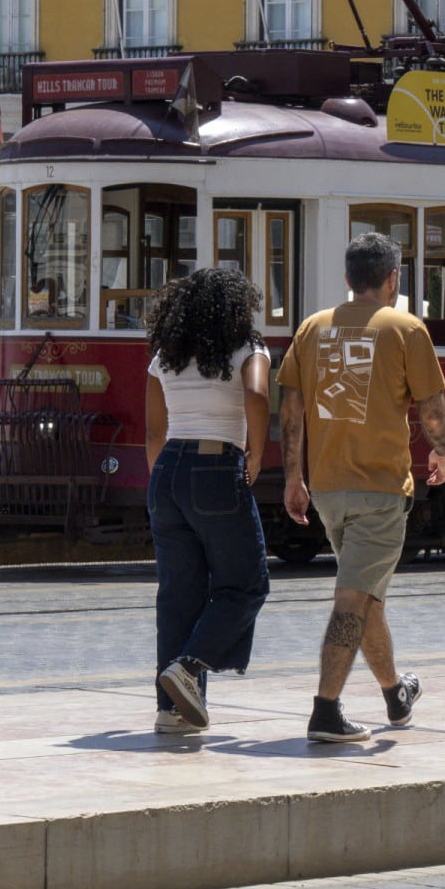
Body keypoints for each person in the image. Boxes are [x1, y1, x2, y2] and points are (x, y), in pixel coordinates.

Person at [278, 232, 445, 743]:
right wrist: (440, 451)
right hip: (378, 489)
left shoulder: (313, 327)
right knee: (353, 601)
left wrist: (293, 476)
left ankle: (396, 693)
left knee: (368, 595)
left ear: (349, 279)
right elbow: (432, 407)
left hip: (328, 489)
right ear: (392, 278)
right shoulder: (405, 328)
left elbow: (291, 408)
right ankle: (325, 710)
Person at [143, 270, 271, 735]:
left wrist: (163, 485)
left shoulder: (166, 357)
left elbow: (154, 432)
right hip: (217, 465)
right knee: (246, 585)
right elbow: (256, 394)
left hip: (167, 471)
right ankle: (188, 667)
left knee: (178, 596)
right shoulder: (248, 350)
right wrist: (255, 454)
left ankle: (170, 711)